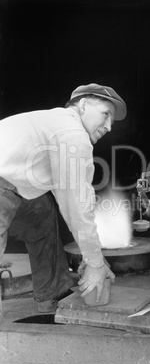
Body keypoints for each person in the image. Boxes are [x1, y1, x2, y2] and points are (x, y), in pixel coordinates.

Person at [0, 83, 126, 312]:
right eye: (105, 114)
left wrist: (92, 257)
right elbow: (77, 206)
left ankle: (51, 292)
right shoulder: (72, 133)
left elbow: (67, 199)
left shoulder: (57, 125)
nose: (108, 126)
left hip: (11, 187)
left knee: (41, 212)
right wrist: (95, 264)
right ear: (84, 105)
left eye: (112, 121)